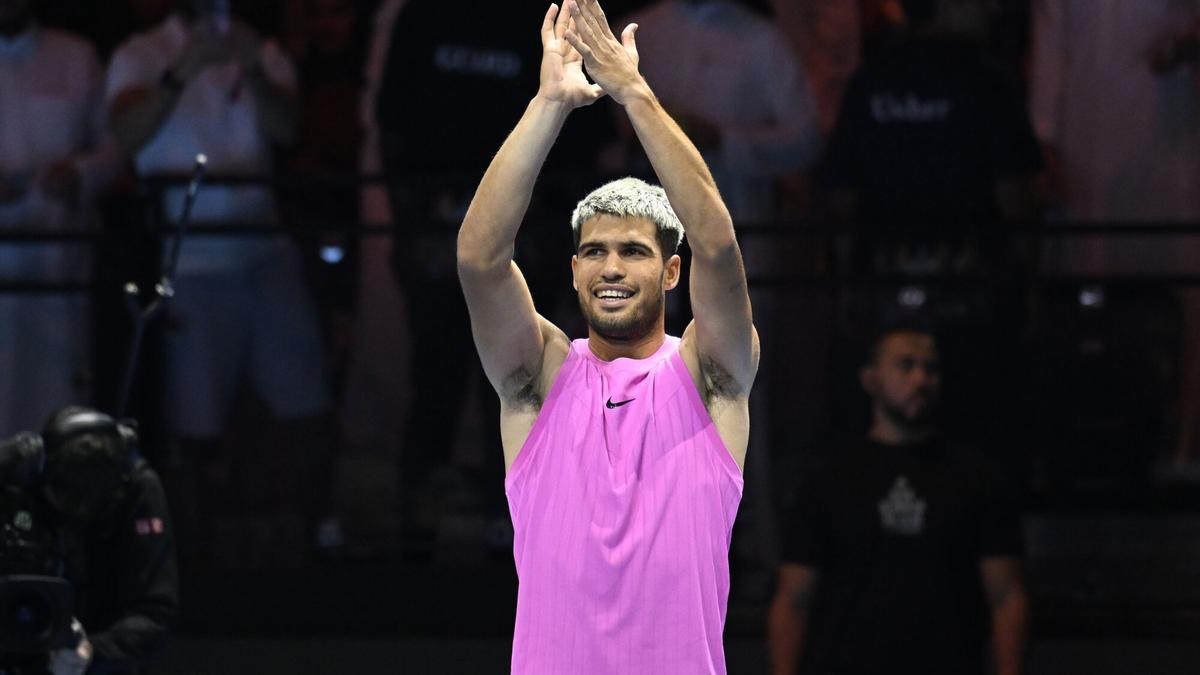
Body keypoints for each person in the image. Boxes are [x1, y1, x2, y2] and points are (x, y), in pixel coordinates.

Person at [455, 0, 759, 671]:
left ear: (671, 269)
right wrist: (549, 103)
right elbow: (479, 259)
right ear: (573, 269)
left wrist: (632, 90)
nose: (612, 267)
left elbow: (717, 242)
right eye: (594, 252)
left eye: (633, 251)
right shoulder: (540, 374)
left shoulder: (711, 374)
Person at [105, 0, 335, 559]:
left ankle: (315, 545)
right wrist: (179, 74)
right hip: (189, 261)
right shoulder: (140, 53)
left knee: (305, 403)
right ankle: (195, 561)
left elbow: (286, 131)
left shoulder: (260, 47)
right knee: (195, 421)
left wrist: (253, 68)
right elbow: (127, 136)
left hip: (264, 252)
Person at [767, 326, 1028, 675]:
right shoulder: (829, 480)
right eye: (905, 366)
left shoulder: (976, 479)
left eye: (931, 369)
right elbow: (793, 600)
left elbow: (1006, 597)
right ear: (871, 379)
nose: (921, 379)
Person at [1029, 0, 1200, 464]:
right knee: (1087, 289)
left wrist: (1185, 45)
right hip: (1084, 140)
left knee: (1175, 296)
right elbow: (1051, 34)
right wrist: (1043, 139)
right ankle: (1083, 437)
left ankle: (1180, 445)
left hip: (1164, 139)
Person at [0, 0, 121, 435]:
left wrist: (79, 173)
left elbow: (114, 148)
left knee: (61, 404)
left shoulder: (76, 56)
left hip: (61, 267)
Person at [616, 0, 822, 223]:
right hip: (644, 224)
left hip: (738, 226)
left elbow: (807, 139)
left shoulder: (762, 39)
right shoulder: (634, 33)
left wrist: (722, 140)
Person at [13, 406, 179, 675]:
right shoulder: (25, 489)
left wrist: (91, 652)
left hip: (100, 657)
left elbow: (155, 615)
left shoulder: (136, 489)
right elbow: (21, 525)